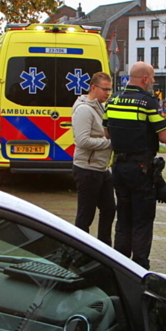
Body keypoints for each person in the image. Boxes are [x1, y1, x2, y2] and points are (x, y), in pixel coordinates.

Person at [105, 61, 166, 269]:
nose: (153, 81)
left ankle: (120, 264)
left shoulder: (113, 99)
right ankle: (140, 267)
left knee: (123, 217)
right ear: (144, 79)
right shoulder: (149, 102)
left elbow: (107, 133)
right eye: (152, 78)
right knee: (142, 219)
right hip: (141, 169)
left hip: (118, 166)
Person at [71, 71, 115, 245]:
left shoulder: (101, 107)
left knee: (109, 209)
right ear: (93, 88)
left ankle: (104, 247)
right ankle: (79, 249)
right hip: (87, 169)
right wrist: (110, 143)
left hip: (102, 168)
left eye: (109, 89)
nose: (107, 93)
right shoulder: (84, 110)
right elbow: (82, 141)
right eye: (104, 89)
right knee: (85, 215)